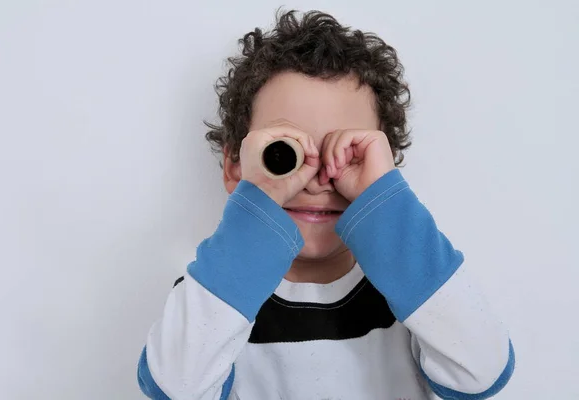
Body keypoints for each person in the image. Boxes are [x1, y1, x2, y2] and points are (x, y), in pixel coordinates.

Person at [137, 9, 515, 400]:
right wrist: (259, 203)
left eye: (347, 154)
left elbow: (481, 369)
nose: (317, 180)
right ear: (236, 167)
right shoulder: (218, 296)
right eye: (287, 153)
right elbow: (175, 386)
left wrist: (382, 202)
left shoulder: (412, 291)